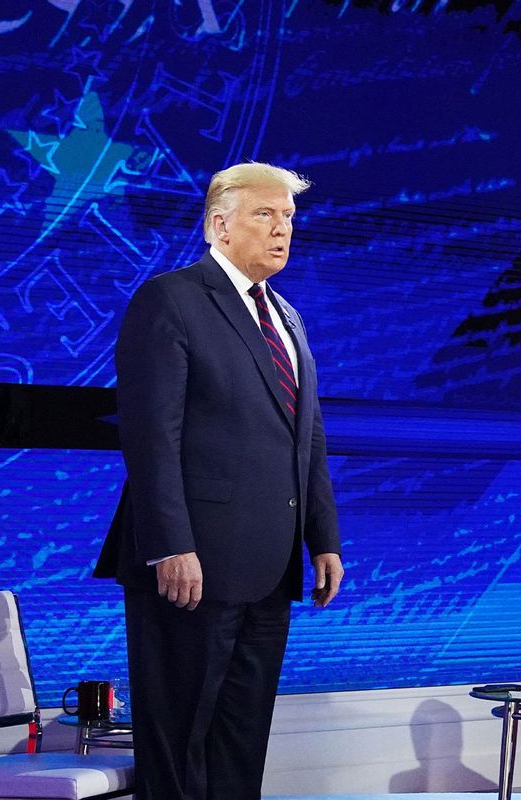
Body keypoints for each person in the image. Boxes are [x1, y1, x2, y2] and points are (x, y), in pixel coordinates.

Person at [95, 162, 344, 799]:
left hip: (269, 565)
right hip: (192, 563)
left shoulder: (287, 316)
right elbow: (152, 437)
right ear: (219, 224)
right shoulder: (171, 299)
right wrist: (170, 545)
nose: (282, 229)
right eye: (266, 214)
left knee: (240, 741)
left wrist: (324, 539)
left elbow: (305, 436)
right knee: (180, 743)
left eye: (288, 217)